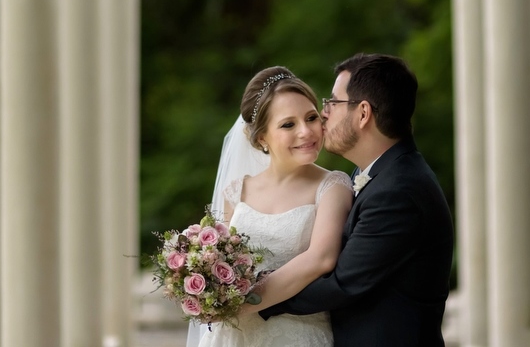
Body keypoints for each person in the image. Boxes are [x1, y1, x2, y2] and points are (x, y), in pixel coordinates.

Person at [251, 53, 454, 347]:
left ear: (362, 113)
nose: (324, 114)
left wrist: (251, 297)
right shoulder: (375, 173)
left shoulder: (400, 190)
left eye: (332, 103)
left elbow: (342, 282)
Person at [192, 66, 353, 347]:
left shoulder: (333, 186)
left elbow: (321, 259)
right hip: (233, 336)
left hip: (297, 334)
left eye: (311, 117)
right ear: (262, 137)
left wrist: (239, 303)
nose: (306, 131)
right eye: (288, 124)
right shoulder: (237, 190)